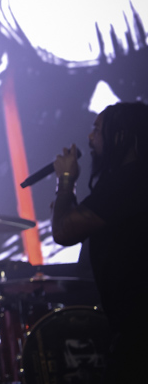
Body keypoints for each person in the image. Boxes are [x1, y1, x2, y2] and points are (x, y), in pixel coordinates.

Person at [51, 101, 148, 382]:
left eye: (97, 130)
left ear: (120, 136)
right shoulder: (133, 179)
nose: (90, 138)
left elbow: (63, 232)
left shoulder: (126, 182)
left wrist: (66, 180)